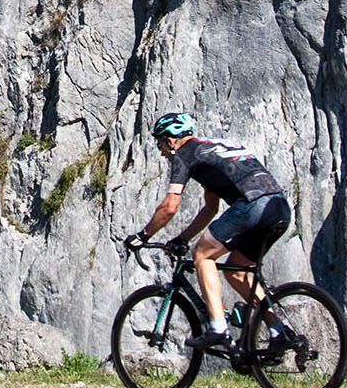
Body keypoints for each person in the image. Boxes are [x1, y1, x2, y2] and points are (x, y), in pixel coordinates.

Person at [125, 111, 293, 351]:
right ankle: (279, 332)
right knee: (236, 271)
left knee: (202, 255)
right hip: (279, 207)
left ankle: (218, 328)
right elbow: (210, 209)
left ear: (171, 140)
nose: (161, 150)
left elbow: (169, 207)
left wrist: (142, 236)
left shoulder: (185, 155)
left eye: (160, 142)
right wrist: (182, 238)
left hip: (252, 206)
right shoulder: (213, 150)